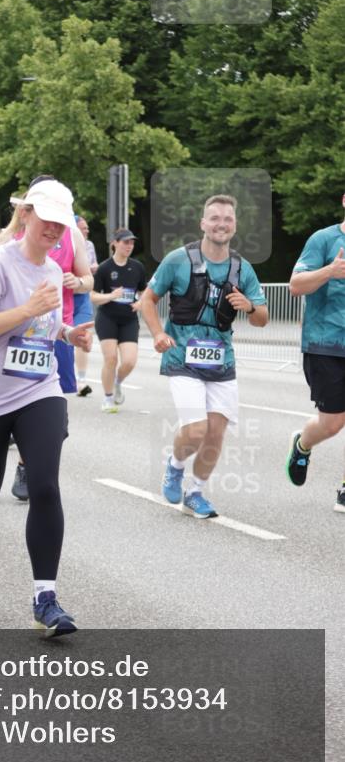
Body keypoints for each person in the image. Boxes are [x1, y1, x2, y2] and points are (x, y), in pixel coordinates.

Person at [0, 178, 93, 636]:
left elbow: (40, 324)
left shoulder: (54, 271)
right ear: (27, 215)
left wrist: (66, 333)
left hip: (38, 388)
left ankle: (45, 597)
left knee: (45, 484)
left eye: (62, 223)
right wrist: (28, 308)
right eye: (47, 219)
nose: (54, 230)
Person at [140, 194, 268, 519]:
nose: (221, 224)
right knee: (196, 429)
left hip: (221, 360)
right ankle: (175, 465)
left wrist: (250, 307)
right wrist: (157, 333)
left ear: (234, 225)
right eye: (215, 218)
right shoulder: (178, 260)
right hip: (182, 356)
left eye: (227, 219)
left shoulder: (242, 269)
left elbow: (262, 317)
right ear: (203, 223)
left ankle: (195, 492)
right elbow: (148, 299)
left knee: (215, 433)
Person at [0, 177, 94, 501]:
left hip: (56, 328)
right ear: (28, 208)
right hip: (16, 331)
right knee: (16, 399)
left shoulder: (71, 234)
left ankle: (27, 463)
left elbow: (88, 279)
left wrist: (75, 281)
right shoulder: (9, 238)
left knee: (53, 409)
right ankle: (7, 445)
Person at [286, 192, 345, 512]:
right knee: (333, 423)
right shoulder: (324, 240)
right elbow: (295, 285)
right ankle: (303, 443)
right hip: (327, 345)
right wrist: (329, 272)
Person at [91, 228, 146, 413]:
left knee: (129, 361)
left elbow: (144, 291)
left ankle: (117, 382)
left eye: (131, 243)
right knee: (111, 359)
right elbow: (92, 296)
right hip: (107, 318)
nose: (129, 246)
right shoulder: (104, 268)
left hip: (129, 319)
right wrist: (111, 295)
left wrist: (140, 302)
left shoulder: (137, 267)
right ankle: (107, 398)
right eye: (125, 242)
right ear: (115, 243)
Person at [73, 216, 98, 396]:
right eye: (83, 228)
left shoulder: (89, 246)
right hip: (64, 297)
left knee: (81, 337)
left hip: (82, 298)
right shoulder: (61, 241)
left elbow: (92, 268)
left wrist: (90, 271)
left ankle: (81, 380)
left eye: (88, 228)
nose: (87, 231)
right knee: (61, 340)